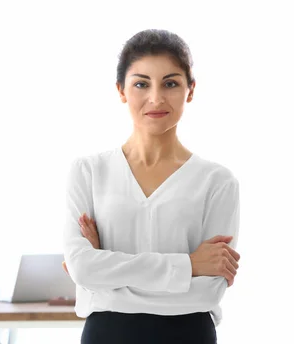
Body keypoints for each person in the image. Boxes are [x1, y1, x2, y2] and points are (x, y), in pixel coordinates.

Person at [62, 29, 241, 344]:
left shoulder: (217, 181)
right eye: (141, 83)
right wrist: (188, 265)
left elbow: (209, 291)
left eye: (170, 83)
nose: (156, 98)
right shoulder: (88, 172)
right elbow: (82, 269)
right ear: (121, 90)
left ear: (190, 89)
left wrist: (108, 271)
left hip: (188, 335)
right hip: (107, 336)